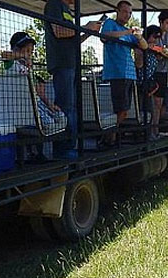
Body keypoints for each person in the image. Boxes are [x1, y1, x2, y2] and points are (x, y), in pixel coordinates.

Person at [44, 0, 102, 159]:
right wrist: (85, 27)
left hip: (72, 63)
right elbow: (59, 31)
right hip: (62, 63)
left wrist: (88, 32)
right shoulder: (53, 5)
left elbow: (73, 37)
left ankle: (71, 146)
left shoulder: (68, 10)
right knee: (65, 106)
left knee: (73, 107)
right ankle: (62, 150)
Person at [3, 32, 64, 160]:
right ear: (16, 49)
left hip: (36, 104)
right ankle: (34, 153)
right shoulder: (11, 64)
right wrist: (23, 56)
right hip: (21, 106)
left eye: (31, 51)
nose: (29, 53)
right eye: (27, 50)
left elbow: (39, 92)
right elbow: (4, 55)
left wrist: (50, 104)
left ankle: (39, 153)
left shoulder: (30, 69)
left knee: (61, 118)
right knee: (46, 123)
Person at [100, 1, 148, 146]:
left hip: (130, 74)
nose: (127, 15)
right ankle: (109, 137)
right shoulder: (109, 23)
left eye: (130, 13)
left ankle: (112, 136)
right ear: (118, 11)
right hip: (117, 74)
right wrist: (127, 32)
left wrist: (139, 36)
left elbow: (144, 46)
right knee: (120, 109)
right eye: (125, 11)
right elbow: (104, 36)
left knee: (125, 109)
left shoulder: (129, 32)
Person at [135, 25, 168, 140]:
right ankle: (145, 135)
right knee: (145, 112)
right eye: (154, 36)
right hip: (141, 84)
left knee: (152, 111)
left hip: (151, 85)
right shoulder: (141, 48)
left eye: (158, 37)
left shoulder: (154, 51)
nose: (156, 39)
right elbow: (139, 65)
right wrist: (144, 51)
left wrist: (160, 51)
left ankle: (152, 133)